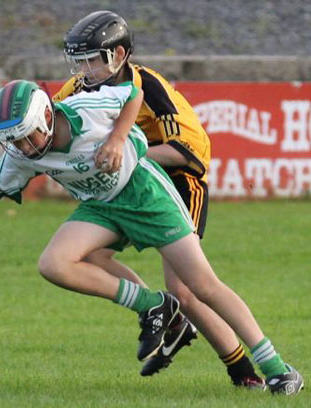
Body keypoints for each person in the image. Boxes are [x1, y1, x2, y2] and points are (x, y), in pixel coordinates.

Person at [0, 79, 303, 395]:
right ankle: (154, 305)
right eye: (15, 143)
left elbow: (132, 95)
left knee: (201, 286)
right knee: (54, 263)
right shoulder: (21, 156)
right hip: (101, 208)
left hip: (145, 195)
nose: (25, 148)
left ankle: (277, 367)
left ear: (46, 116)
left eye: (28, 137)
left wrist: (117, 139)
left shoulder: (84, 108)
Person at [54, 10, 299, 390]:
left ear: (118, 55)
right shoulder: (79, 88)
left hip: (177, 181)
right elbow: (48, 122)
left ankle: (255, 370)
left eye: (92, 59)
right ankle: (161, 311)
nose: (83, 70)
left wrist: (124, 149)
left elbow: (190, 154)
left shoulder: (149, 88)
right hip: (124, 185)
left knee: (189, 288)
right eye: (79, 60)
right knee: (88, 256)